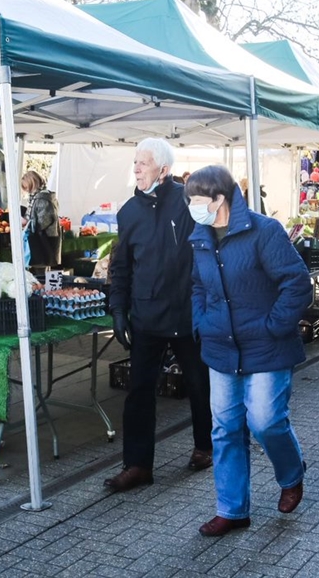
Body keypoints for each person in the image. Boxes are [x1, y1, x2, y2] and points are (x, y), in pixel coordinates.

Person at [186, 165, 312, 537]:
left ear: (219, 198)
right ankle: (232, 510)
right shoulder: (200, 237)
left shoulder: (264, 231)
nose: (192, 207)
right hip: (220, 348)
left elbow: (297, 283)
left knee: (265, 420)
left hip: (267, 347)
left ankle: (291, 474)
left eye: (197, 200)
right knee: (224, 430)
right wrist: (201, 322)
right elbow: (197, 285)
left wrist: (274, 326)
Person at [105, 138, 213, 492]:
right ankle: (137, 465)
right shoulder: (128, 213)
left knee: (199, 383)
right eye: (135, 162)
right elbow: (120, 268)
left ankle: (205, 446)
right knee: (139, 391)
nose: (136, 168)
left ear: (163, 170)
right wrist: (118, 310)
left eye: (143, 163)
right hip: (147, 316)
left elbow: (211, 247)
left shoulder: (187, 202)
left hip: (186, 314)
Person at [21, 170, 61, 268]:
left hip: (44, 240)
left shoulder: (43, 199)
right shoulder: (40, 197)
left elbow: (44, 221)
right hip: (44, 238)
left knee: (41, 270)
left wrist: (28, 223)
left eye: (26, 187)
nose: (26, 190)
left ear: (31, 184)